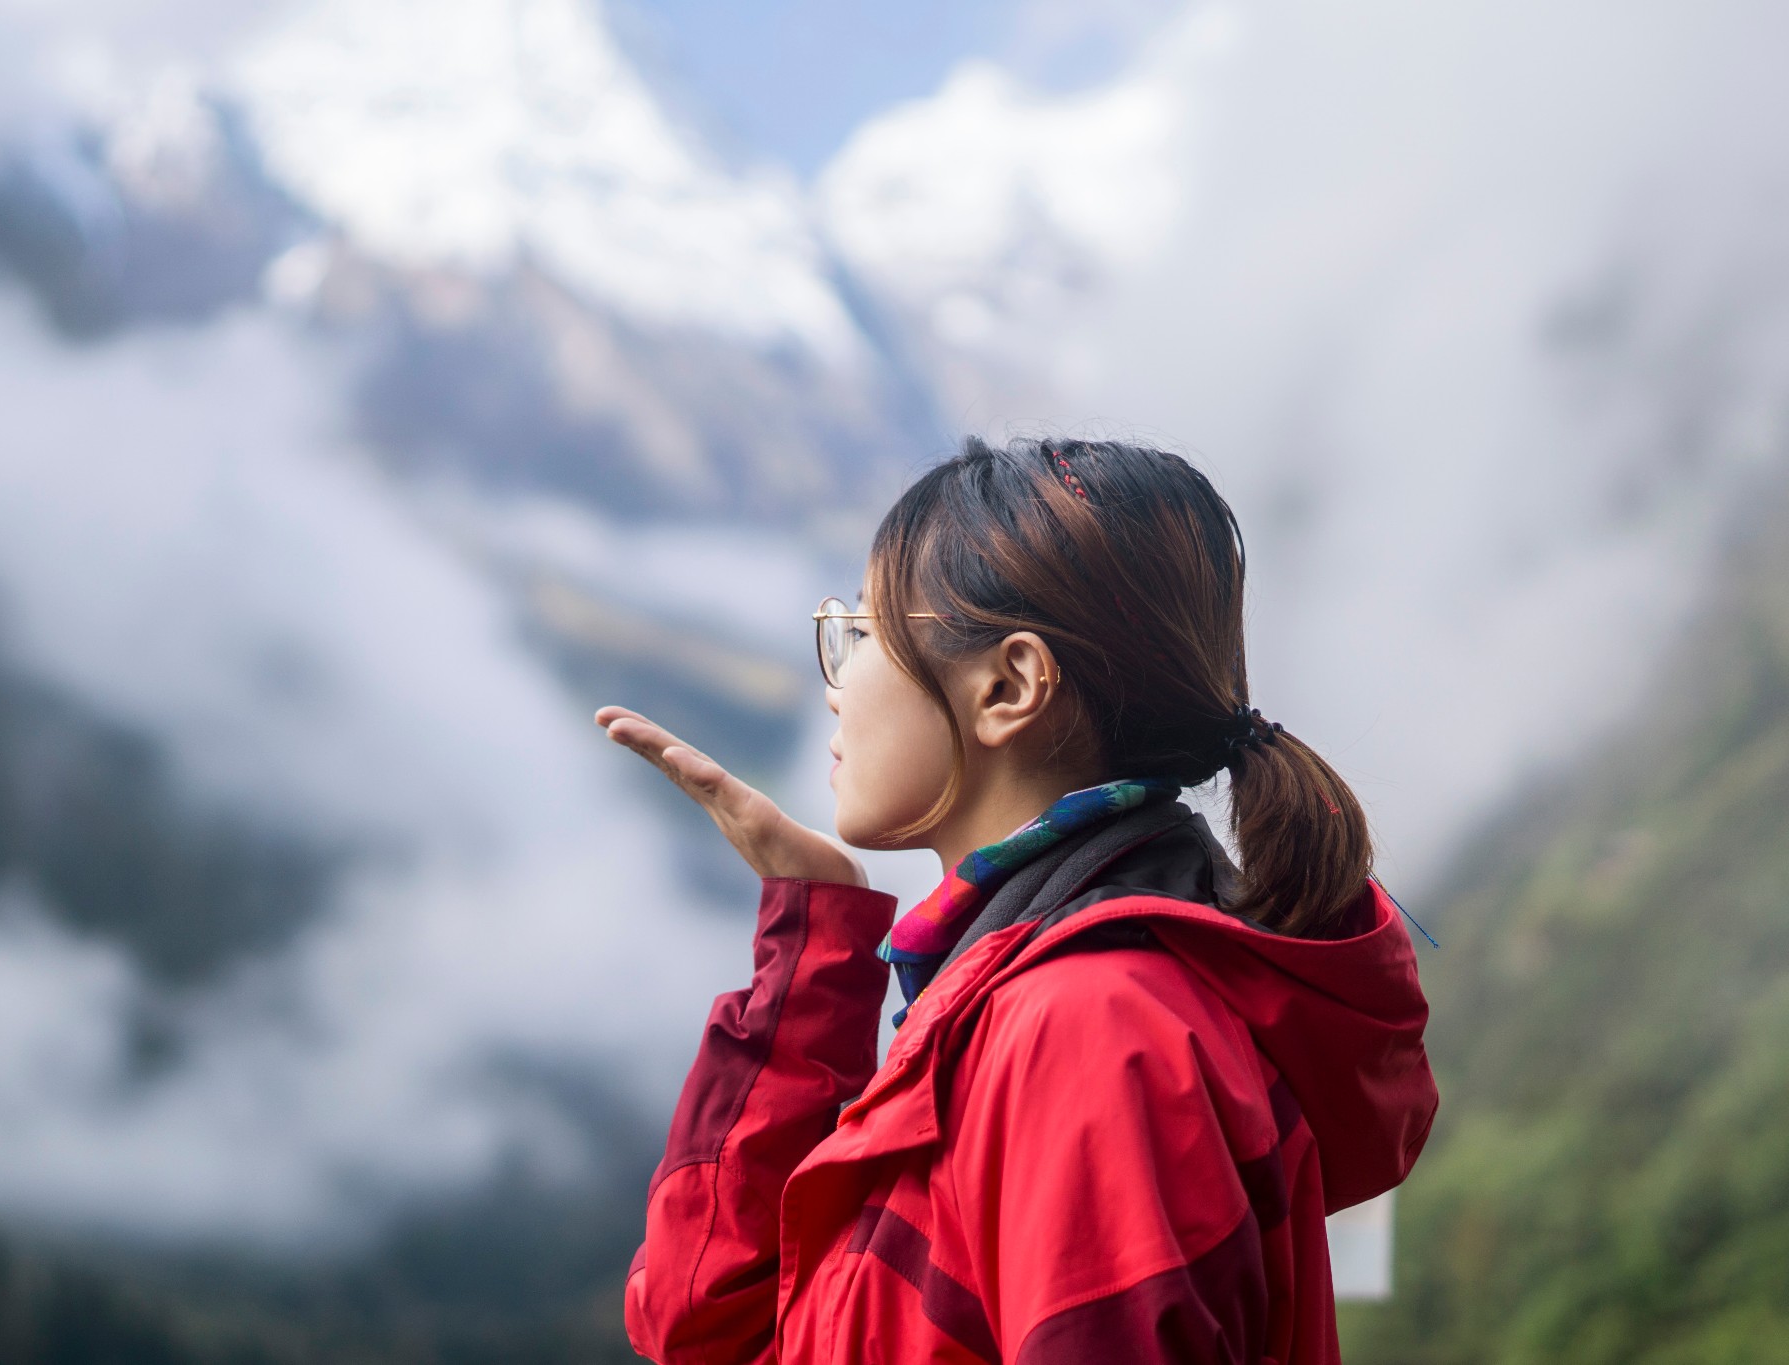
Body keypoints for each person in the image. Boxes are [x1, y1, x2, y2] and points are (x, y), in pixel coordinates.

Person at [597, 437, 1437, 1364]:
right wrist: (815, 955)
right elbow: (705, 1326)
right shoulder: (1016, 996)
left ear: (1007, 686)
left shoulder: (1089, 1033)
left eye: (867, 633)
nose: (836, 686)